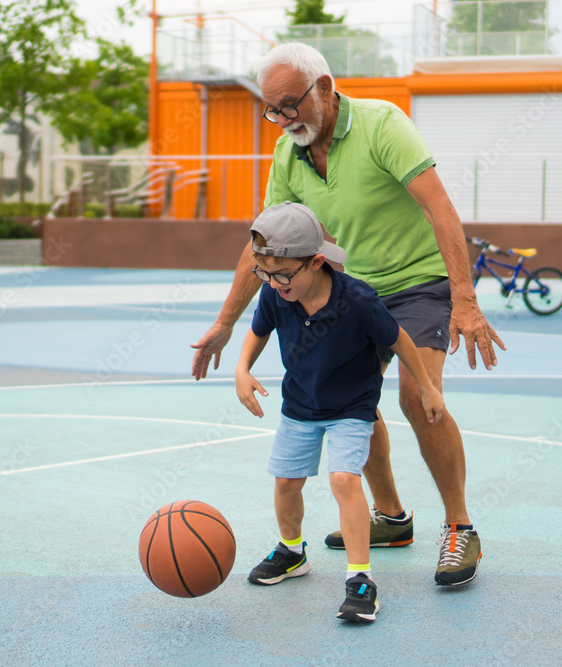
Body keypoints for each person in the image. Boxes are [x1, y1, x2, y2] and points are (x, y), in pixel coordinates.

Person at [192, 43, 505, 587]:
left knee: (416, 396)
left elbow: (440, 208)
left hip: (417, 284)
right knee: (346, 400)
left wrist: (466, 301)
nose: (283, 119)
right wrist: (224, 324)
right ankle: (391, 517)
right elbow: (262, 243)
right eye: (272, 110)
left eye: (291, 105)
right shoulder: (289, 155)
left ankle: (460, 526)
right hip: (355, 290)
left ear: (326, 89)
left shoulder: (383, 125)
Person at [235, 201, 444, 623]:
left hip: (352, 405)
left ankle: (360, 580)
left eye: (282, 274)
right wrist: (242, 369)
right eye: (265, 273)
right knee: (286, 483)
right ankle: (292, 552)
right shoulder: (278, 293)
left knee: (344, 479)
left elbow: (399, 338)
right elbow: (258, 330)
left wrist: (426, 387)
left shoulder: (358, 300)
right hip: (300, 403)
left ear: (316, 261)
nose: (274, 283)